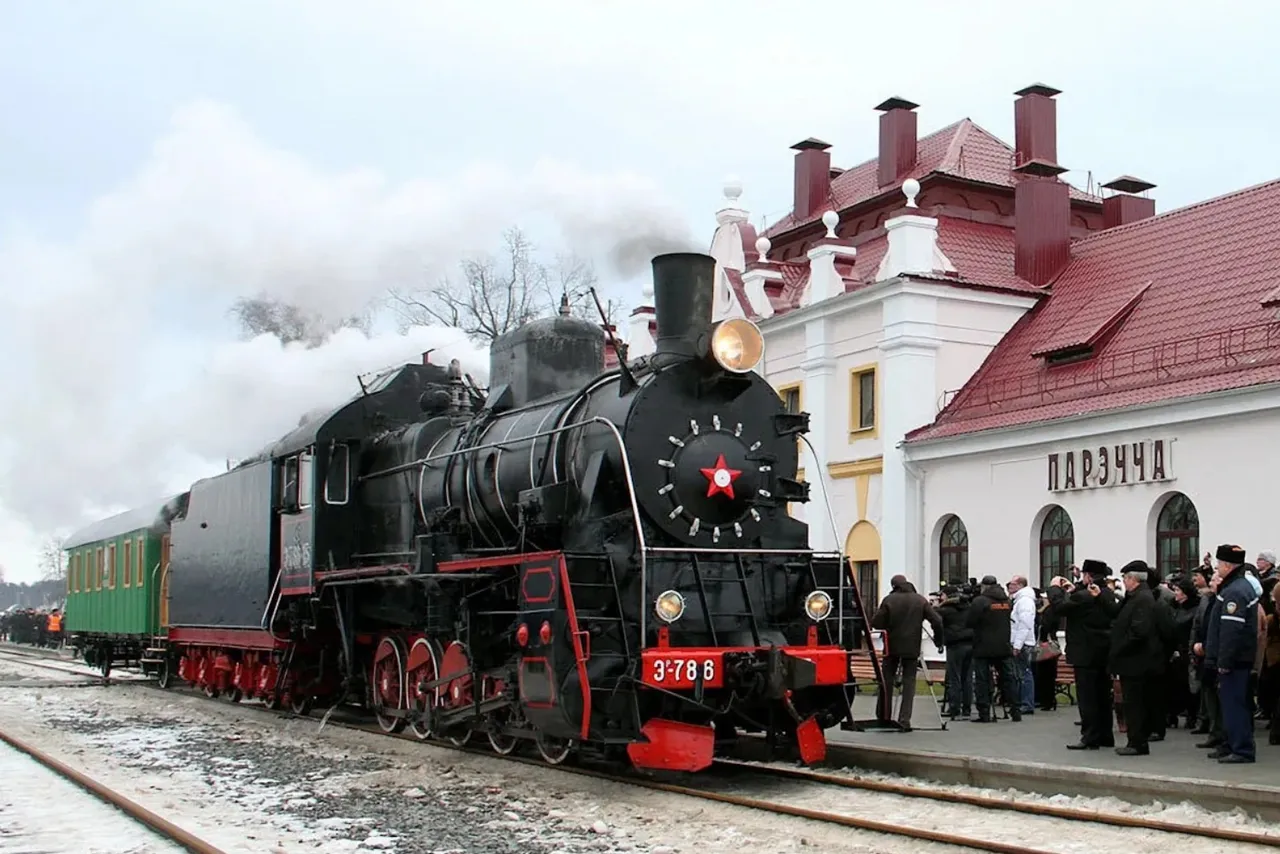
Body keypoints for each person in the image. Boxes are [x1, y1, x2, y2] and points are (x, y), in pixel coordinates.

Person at [1204, 544, 1259, 763]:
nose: (1217, 568)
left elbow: (1231, 631)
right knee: (1231, 705)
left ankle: (1242, 749)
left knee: (1235, 705)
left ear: (1227, 565)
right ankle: (1230, 744)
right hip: (1237, 659)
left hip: (1235, 661)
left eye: (1219, 564)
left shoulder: (1235, 591)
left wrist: (1224, 661)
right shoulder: (1237, 586)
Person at [1058, 559, 1119, 750]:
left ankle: (1090, 736)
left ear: (1088, 576)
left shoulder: (1083, 596)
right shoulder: (1106, 593)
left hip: (1085, 652)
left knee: (1087, 698)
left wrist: (1055, 589)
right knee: (1103, 696)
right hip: (1103, 651)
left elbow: (1059, 608)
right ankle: (1105, 735)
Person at [871, 574, 945, 731]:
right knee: (909, 682)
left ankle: (883, 716)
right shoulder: (919, 600)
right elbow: (937, 620)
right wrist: (938, 640)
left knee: (886, 681)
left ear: (894, 586)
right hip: (912, 647)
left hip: (891, 647)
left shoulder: (889, 600)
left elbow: (876, 622)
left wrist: (889, 624)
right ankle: (904, 720)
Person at [1109, 562, 1164, 756]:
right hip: (1132, 661)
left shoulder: (1143, 599)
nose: (1123, 581)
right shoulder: (1134, 597)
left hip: (1135, 661)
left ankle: (1138, 742)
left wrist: (1119, 647)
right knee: (1132, 702)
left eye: (1125, 578)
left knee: (1135, 703)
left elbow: (1139, 631)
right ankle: (1135, 740)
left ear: (1133, 579)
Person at [965, 575, 1020, 723]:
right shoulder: (1006, 601)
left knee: (982, 681)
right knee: (1008, 679)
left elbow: (970, 622)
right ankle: (1015, 711)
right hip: (1003, 646)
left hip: (983, 646)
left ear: (984, 586)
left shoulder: (980, 601)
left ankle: (984, 713)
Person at [937, 585, 974, 720]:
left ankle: (954, 708)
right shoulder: (969, 607)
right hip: (970, 643)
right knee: (967, 678)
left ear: (947, 596)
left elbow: (937, 622)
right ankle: (967, 708)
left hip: (955, 644)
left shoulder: (946, 609)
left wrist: (939, 641)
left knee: (954, 677)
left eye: (942, 595)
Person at [1008, 576, 1038, 715]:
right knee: (1020, 673)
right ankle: (1023, 702)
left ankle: (1026, 703)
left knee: (1024, 674)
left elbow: (1024, 625)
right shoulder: (1020, 600)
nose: (1010, 586)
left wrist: (1017, 645)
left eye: (1012, 583)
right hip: (1021, 641)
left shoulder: (1025, 601)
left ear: (1020, 585)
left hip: (1023, 643)